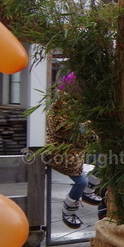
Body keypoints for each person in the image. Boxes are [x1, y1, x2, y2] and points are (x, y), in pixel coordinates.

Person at [45, 73, 102, 229]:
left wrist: (90, 132)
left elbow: (89, 125)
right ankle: (68, 211)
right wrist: (81, 130)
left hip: (79, 148)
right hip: (60, 151)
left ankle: (89, 190)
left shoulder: (82, 104)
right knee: (81, 181)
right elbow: (56, 127)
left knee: (106, 160)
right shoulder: (59, 103)